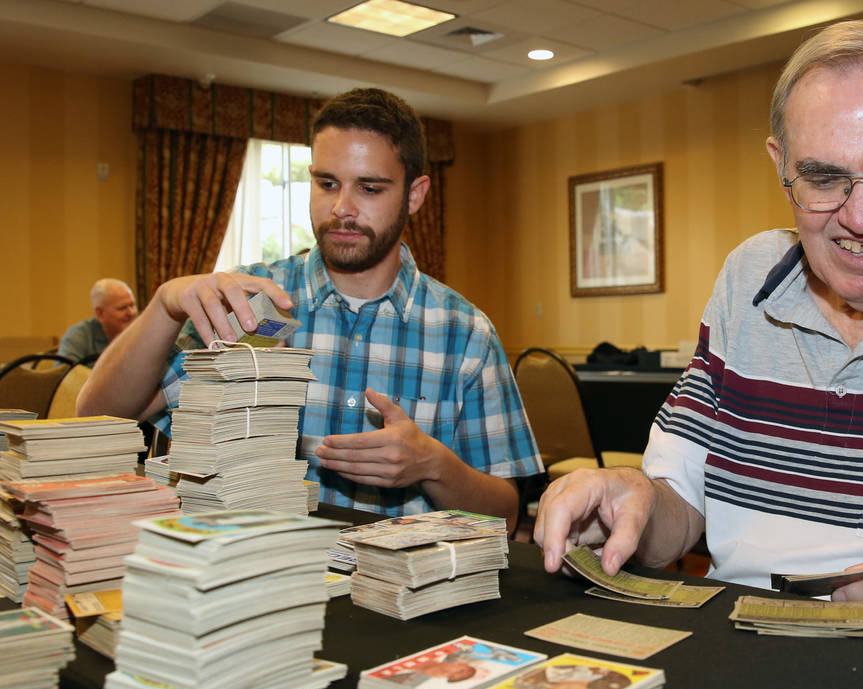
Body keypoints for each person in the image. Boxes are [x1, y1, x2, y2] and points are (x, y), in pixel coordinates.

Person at [534, 19, 863, 652]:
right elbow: (679, 511)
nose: (862, 218)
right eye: (825, 179)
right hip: (730, 666)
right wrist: (630, 502)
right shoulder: (747, 277)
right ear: (780, 163)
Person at [77, 88, 541, 524]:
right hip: (252, 580)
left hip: (401, 599)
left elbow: (506, 517)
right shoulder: (249, 300)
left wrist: (436, 467)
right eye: (326, 182)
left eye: (370, 189)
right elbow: (98, 418)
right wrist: (163, 304)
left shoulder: (466, 332)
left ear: (415, 195)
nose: (341, 207)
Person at [58, 278, 138, 363]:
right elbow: (67, 374)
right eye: (122, 308)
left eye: (132, 305)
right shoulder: (77, 336)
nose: (131, 313)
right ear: (100, 313)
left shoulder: (141, 333)